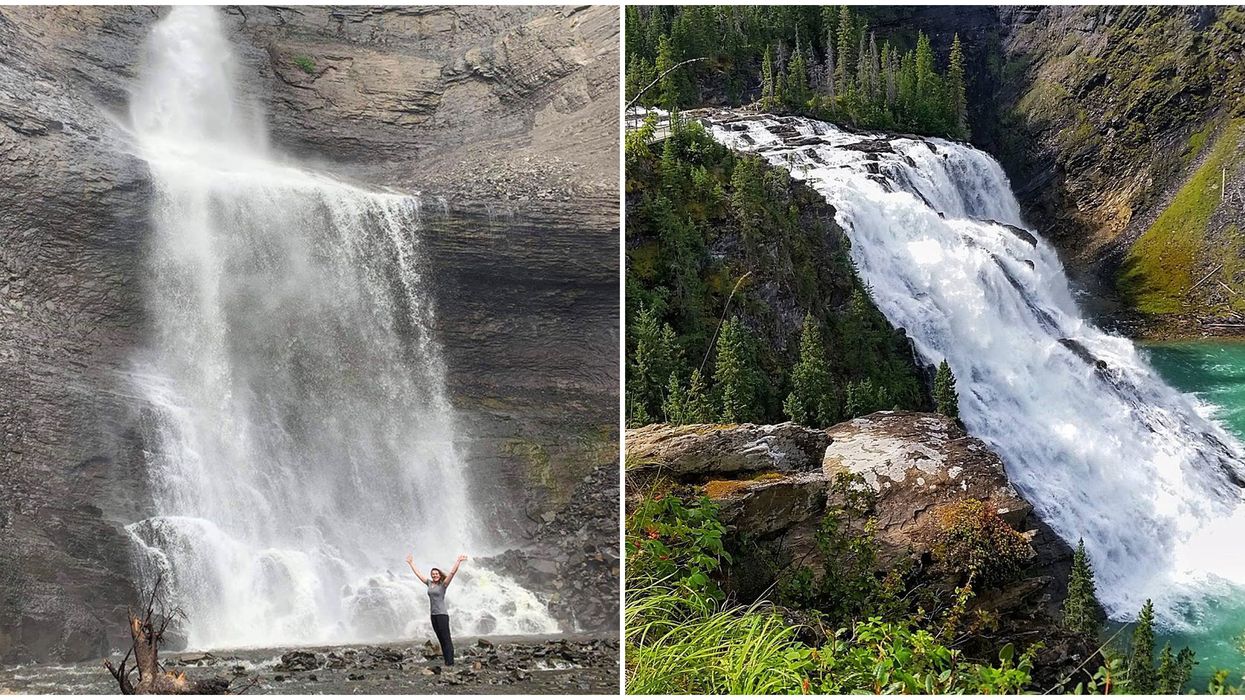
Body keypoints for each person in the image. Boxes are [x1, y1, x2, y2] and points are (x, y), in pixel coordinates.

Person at [405, 552, 468, 667]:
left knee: (446, 639)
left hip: (442, 615)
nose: (434, 575)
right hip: (433, 615)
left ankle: (450, 662)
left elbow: (452, 573)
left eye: (436, 574)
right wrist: (411, 563)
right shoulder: (429, 583)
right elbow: (418, 574)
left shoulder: (443, 585)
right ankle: (447, 661)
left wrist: (458, 561)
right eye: (433, 574)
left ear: (439, 575)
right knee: (440, 639)